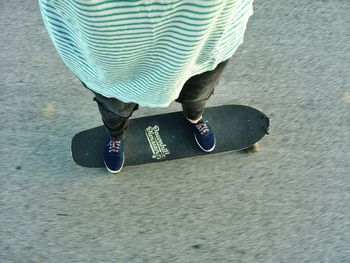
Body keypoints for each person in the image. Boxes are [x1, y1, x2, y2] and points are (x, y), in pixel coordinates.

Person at [38, 0, 254, 173]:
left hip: (205, 38)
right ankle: (116, 136)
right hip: (110, 55)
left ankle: (195, 118)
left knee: (196, 95)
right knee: (115, 110)